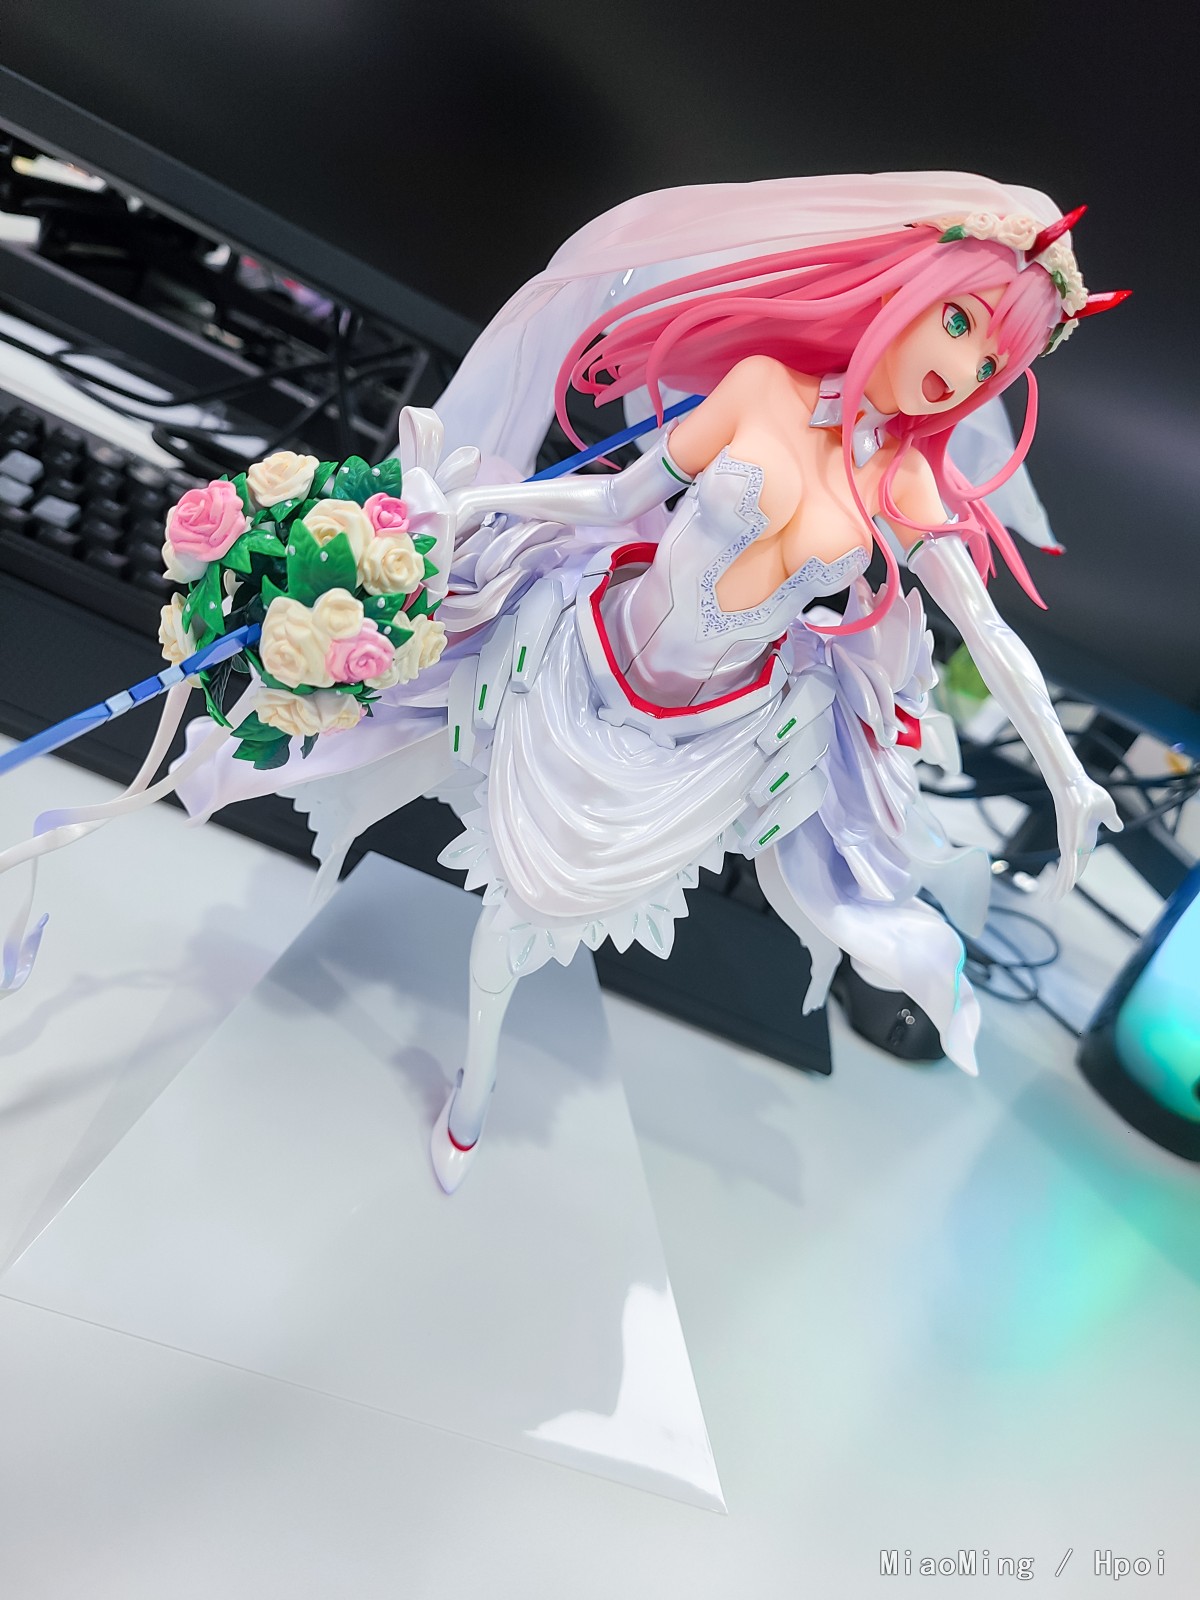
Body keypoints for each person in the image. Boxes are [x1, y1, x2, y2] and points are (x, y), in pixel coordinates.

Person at [2, 172, 1127, 1192]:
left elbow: (987, 630)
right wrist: (472, 507)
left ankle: (478, 1079)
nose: (962, 370)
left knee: (529, 919)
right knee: (414, 746)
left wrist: (1069, 775)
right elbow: (613, 499)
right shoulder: (761, 388)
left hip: (708, 730)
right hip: (584, 652)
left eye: (994, 365)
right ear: (909, 286)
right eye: (961, 321)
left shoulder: (903, 485)